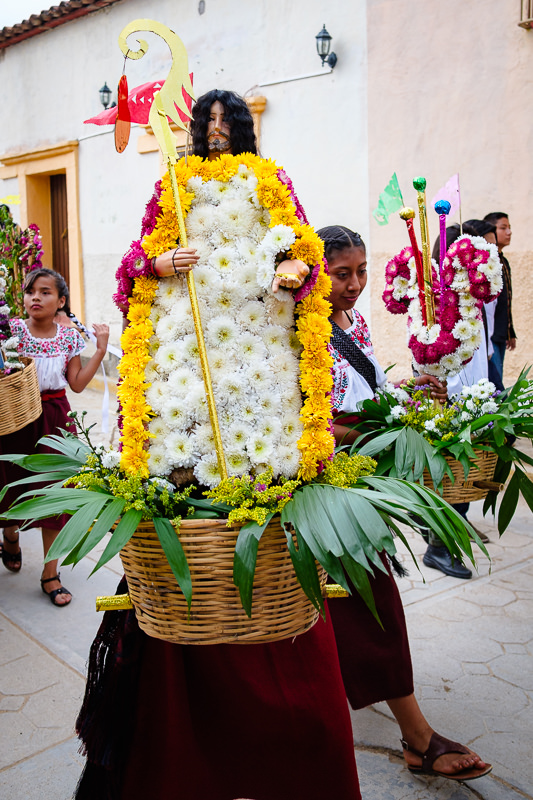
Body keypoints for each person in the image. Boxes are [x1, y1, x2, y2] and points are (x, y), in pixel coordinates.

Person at [75, 91, 362, 800]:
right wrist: (162, 263)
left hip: (260, 350)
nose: (211, 134)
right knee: (183, 462)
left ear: (243, 130)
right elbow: (131, 270)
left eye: (223, 124)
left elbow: (300, 250)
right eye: (203, 124)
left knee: (265, 452)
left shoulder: (271, 183)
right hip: (182, 357)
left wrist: (292, 272)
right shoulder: (169, 187)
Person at [318, 224, 491, 782]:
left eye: (361, 272)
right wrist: (365, 431)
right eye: (342, 273)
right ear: (314, 271)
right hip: (324, 484)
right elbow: (303, 420)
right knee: (368, 596)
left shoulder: (355, 322)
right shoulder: (298, 331)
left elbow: (369, 392)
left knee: (348, 597)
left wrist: (410, 396)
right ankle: (418, 739)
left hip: (361, 472)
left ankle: (351, 689)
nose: (355, 285)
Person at [0, 268, 109, 605]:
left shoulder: (69, 338)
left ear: (61, 301)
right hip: (15, 418)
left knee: (54, 497)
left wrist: (100, 351)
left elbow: (76, 383)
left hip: (54, 422)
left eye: (45, 292)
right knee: (10, 488)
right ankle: (10, 535)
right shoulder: (11, 329)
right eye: (31, 291)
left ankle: (50, 572)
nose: (36, 297)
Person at [483, 212, 516, 382]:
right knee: (494, 382)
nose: (509, 232)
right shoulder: (486, 262)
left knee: (498, 376)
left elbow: (505, 300)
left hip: (501, 332)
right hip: (489, 334)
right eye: (503, 228)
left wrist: (510, 331)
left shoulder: (503, 262)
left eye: (509, 227)